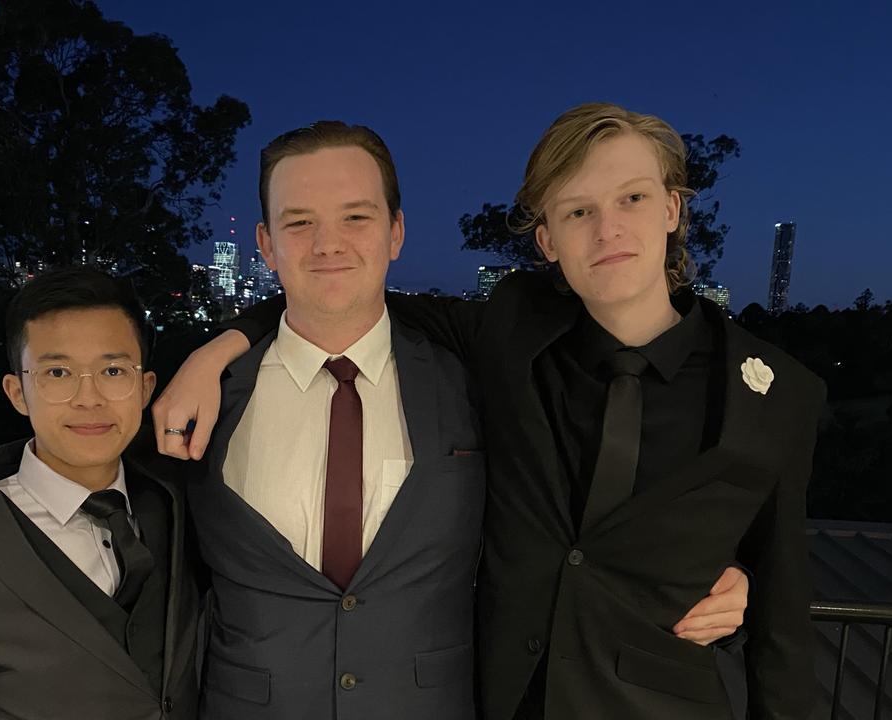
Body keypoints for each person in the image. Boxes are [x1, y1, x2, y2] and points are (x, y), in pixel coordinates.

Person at [155, 113, 763, 720]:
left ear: (395, 232)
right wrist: (220, 348)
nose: (328, 243)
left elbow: (585, 501)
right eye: (300, 222)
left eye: (355, 217)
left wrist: (713, 569)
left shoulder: (481, 368)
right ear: (265, 243)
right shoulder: (203, 400)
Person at [0, 267, 199, 719]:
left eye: (112, 369)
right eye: (58, 372)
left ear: (145, 387)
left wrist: (221, 348)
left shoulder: (180, 497)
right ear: (18, 392)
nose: (89, 398)